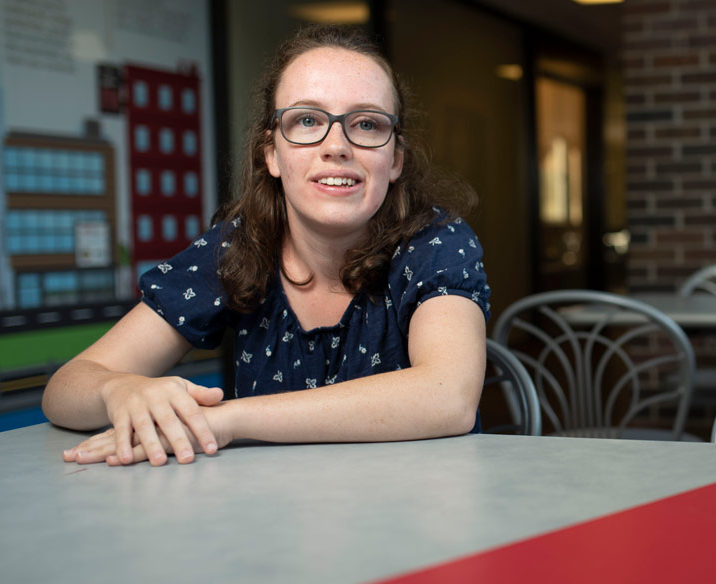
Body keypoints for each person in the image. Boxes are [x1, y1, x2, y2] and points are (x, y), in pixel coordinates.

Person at [42, 24, 490, 466]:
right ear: (271, 154)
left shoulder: (437, 244)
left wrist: (226, 420)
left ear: (394, 160)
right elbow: (65, 390)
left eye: (367, 124)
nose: (337, 145)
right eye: (308, 120)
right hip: (272, 524)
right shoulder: (240, 247)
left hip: (417, 519)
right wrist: (119, 391)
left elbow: (447, 395)